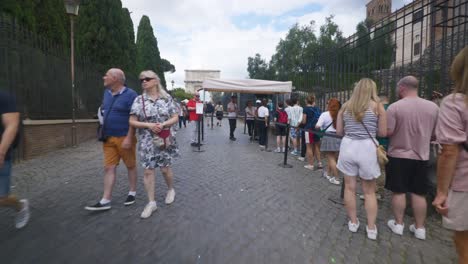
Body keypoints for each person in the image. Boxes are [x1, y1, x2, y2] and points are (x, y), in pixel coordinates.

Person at [385, 76, 439, 240]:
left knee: (399, 191)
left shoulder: (394, 108)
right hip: (422, 155)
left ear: (402, 88)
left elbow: (388, 132)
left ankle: (399, 224)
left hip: (398, 155)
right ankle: (420, 228)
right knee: (419, 193)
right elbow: (436, 134)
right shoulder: (433, 108)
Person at [336, 78, 387, 240]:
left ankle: (353, 222)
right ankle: (371, 228)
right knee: (369, 191)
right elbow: (383, 133)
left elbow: (339, 131)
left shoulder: (345, 107)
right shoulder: (377, 106)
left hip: (348, 146)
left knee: (349, 188)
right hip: (367, 148)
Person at [433, 46, 468, 263]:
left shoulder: (455, 103)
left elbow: (449, 151)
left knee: (464, 242)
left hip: (465, 182)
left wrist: (441, 192)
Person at [85, 68, 138, 211]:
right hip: (108, 138)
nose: (104, 77)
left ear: (115, 78)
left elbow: (134, 117)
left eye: (107, 75)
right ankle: (105, 199)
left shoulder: (131, 95)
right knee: (109, 167)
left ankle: (132, 192)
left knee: (130, 165)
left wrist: (129, 137)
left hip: (124, 137)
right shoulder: (106, 93)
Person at [129, 70, 179, 219]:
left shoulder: (166, 98)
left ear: (155, 81)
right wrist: (148, 125)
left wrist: (163, 124)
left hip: (164, 139)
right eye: (141, 80)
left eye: (147, 79)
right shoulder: (139, 100)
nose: (144, 81)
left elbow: (175, 117)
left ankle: (170, 189)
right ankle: (151, 203)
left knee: (165, 169)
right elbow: (131, 121)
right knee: (148, 171)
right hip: (146, 140)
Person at [0, 91, 29, 229]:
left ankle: (21, 206)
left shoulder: (5, 97)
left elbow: (12, 125)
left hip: (2, 153)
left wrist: (1, 153)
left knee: (2, 198)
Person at [360, 92, 389, 201]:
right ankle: (379, 192)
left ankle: (372, 192)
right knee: (382, 169)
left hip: (375, 143)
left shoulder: (377, 108)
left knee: (371, 169)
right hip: (387, 143)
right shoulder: (392, 108)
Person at [316, 98, 342, 185]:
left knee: (330, 157)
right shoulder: (340, 114)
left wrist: (321, 127)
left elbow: (318, 126)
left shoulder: (325, 114)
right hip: (339, 136)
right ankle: (327, 173)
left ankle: (336, 178)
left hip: (329, 136)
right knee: (333, 157)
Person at [301, 95, 322, 170]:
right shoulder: (317, 109)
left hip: (308, 129)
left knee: (309, 147)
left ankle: (311, 164)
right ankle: (320, 163)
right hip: (317, 129)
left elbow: (304, 121)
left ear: (306, 101)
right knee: (317, 147)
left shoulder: (305, 109)